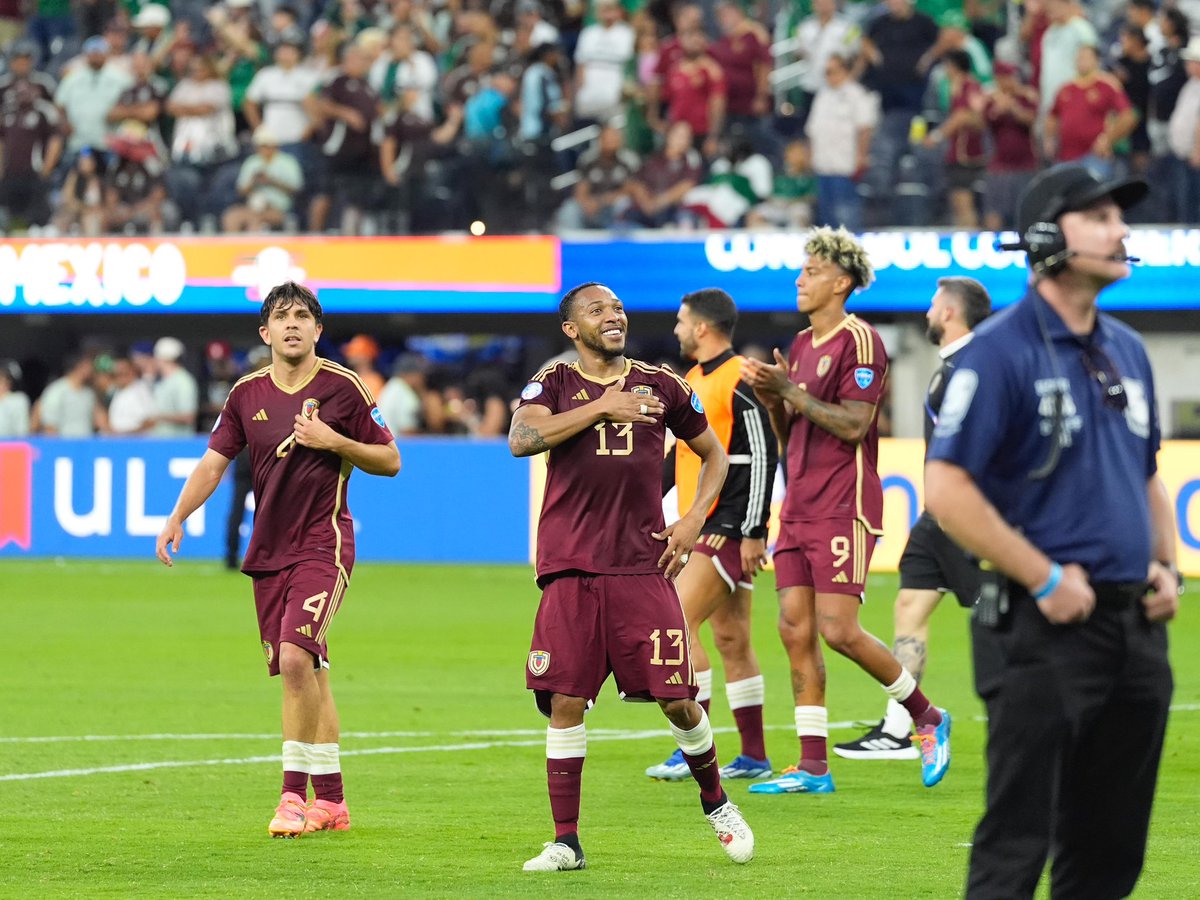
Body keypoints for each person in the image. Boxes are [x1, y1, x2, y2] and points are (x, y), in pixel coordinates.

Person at [925, 164, 1180, 898]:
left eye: (1118, 216)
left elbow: (1145, 474)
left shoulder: (1128, 348)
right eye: (1098, 217)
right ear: (1044, 237)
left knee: (1110, 854)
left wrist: (1166, 567)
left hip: (1134, 631)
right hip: (1042, 632)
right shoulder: (999, 350)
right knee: (1016, 846)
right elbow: (945, 487)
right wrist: (1042, 577)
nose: (1120, 230)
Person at [509, 281, 753, 871]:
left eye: (617, 307)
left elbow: (715, 455)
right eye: (597, 310)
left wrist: (693, 519)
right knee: (565, 700)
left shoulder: (662, 384)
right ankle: (566, 841)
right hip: (570, 566)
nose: (613, 315)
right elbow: (521, 439)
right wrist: (601, 407)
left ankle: (717, 801)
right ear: (572, 329)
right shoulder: (554, 382)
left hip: (643, 566)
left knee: (678, 700)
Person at [155, 282, 401, 837]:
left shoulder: (343, 387)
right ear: (265, 333)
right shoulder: (246, 394)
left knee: (294, 659)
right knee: (309, 668)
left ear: (318, 329)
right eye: (282, 317)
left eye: (303, 316)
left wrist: (333, 440)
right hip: (268, 551)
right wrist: (177, 515)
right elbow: (214, 463)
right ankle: (331, 802)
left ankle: (292, 796)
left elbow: (390, 459)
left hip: (323, 543)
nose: (293, 324)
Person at [740, 227, 952, 794]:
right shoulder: (802, 344)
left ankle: (928, 717)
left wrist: (790, 392)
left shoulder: (861, 342)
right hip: (799, 503)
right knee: (794, 629)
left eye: (811, 272)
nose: (799, 280)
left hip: (843, 504)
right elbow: (792, 433)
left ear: (841, 281)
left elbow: (856, 424)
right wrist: (774, 400)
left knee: (837, 629)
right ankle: (813, 766)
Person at [834, 277, 991, 759]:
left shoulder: (976, 367)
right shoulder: (954, 366)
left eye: (933, 304)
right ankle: (902, 727)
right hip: (936, 515)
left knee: (1002, 616)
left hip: (967, 514)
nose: (927, 312)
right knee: (909, 606)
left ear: (950, 312)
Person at [644, 288, 777, 782]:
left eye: (682, 321)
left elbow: (762, 454)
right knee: (732, 638)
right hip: (704, 522)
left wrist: (753, 530)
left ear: (702, 327)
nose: (676, 329)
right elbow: (678, 458)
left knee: (678, 622)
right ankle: (755, 756)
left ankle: (692, 748)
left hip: (725, 526)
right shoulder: (694, 381)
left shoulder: (741, 376)